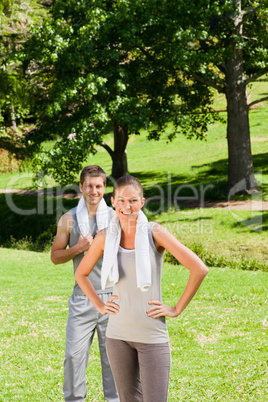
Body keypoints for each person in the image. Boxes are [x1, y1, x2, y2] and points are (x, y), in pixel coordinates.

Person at [75, 175, 209, 402]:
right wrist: (99, 304)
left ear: (142, 202)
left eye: (133, 201)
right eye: (122, 201)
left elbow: (199, 268)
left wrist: (176, 308)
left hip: (151, 335)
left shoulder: (155, 233)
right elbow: (81, 273)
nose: (128, 207)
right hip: (117, 336)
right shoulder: (105, 237)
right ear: (113, 201)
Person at [50, 165, 118, 402]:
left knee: (114, 361)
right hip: (83, 298)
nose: (93, 191)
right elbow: (55, 256)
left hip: (113, 298)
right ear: (81, 187)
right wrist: (79, 248)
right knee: (73, 357)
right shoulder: (68, 219)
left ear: (104, 188)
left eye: (98, 186)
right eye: (89, 185)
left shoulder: (115, 218)